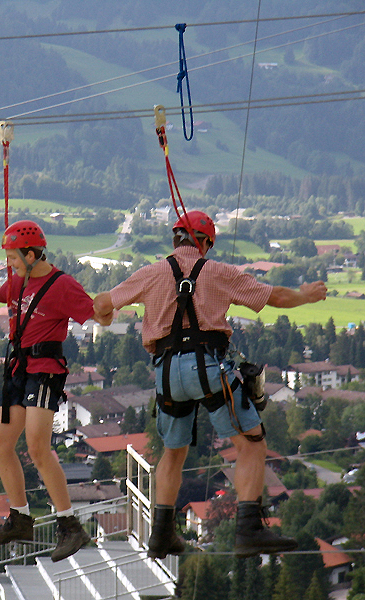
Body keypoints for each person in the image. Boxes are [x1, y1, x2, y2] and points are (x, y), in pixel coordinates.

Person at [93, 210, 327, 559]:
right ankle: (248, 528)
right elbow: (273, 297)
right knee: (251, 445)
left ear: (176, 240)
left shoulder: (151, 273)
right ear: (205, 243)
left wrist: (108, 315)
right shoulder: (217, 272)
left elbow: (101, 305)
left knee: (173, 452)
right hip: (208, 367)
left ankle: (161, 534)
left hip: (167, 374)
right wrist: (306, 295)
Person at [0, 220, 96, 562]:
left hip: (43, 371)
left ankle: (70, 524)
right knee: (0, 443)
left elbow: (96, 312)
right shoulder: (19, 281)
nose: (8, 264)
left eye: (11, 257)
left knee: (37, 447)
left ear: (30, 254)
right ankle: (20, 517)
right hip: (18, 370)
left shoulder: (62, 285)